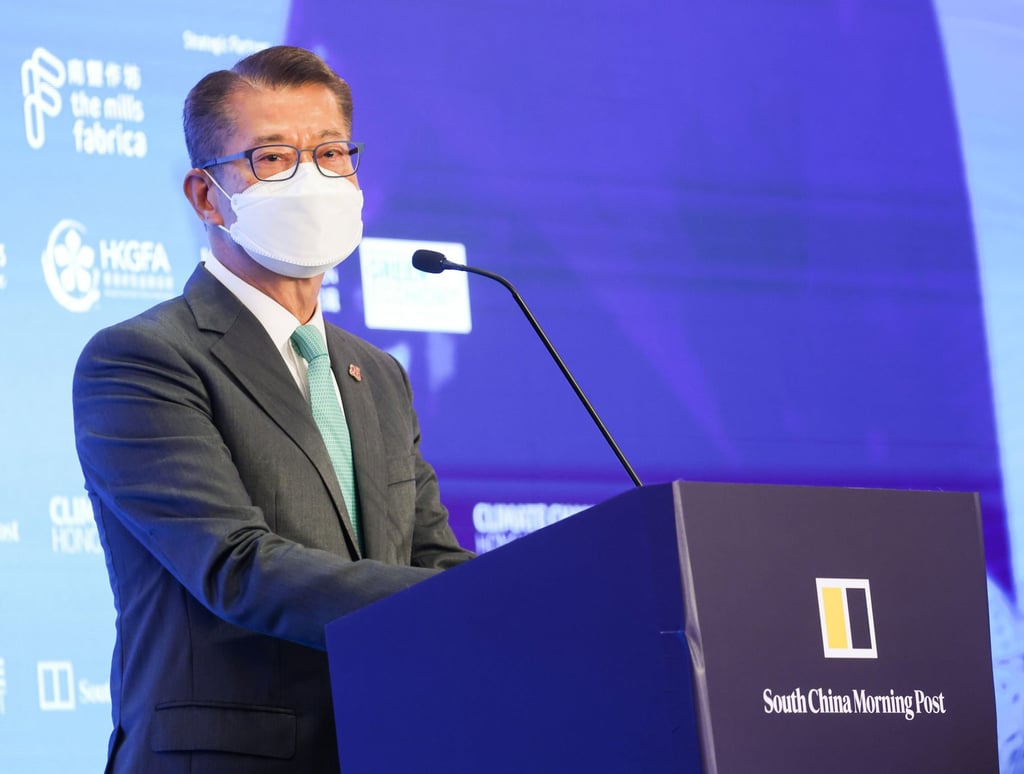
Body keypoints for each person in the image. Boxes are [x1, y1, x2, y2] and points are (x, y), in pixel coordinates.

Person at [72, 45, 473, 773]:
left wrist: (520, 600)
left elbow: (429, 555)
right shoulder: (142, 358)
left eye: (329, 154)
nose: (311, 179)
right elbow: (236, 566)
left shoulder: (377, 374)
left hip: (387, 747)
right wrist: (479, 606)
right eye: (273, 159)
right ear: (205, 196)